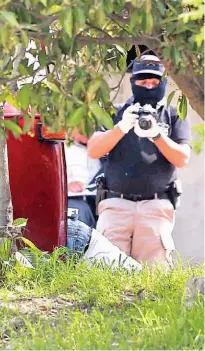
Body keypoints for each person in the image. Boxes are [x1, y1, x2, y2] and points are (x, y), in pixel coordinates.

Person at [87, 54, 191, 267]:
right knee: (106, 272)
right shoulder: (115, 112)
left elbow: (182, 158)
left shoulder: (173, 114)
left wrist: (157, 135)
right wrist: (121, 128)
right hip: (115, 206)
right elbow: (94, 149)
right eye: (143, 82)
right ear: (133, 82)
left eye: (155, 82)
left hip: (156, 208)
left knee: (154, 277)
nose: (149, 87)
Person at [65, 128, 103, 227]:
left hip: (100, 198)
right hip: (72, 199)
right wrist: (65, 185)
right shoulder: (60, 145)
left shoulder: (103, 145)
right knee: (78, 210)